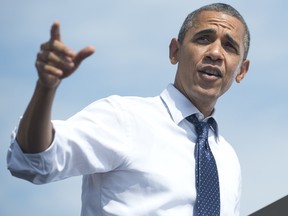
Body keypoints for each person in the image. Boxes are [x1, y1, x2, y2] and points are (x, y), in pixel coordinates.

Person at [7, 3, 250, 216]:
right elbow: (33, 160)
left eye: (229, 47)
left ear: (241, 70)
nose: (216, 53)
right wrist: (45, 88)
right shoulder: (124, 118)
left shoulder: (227, 158)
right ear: (175, 51)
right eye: (204, 39)